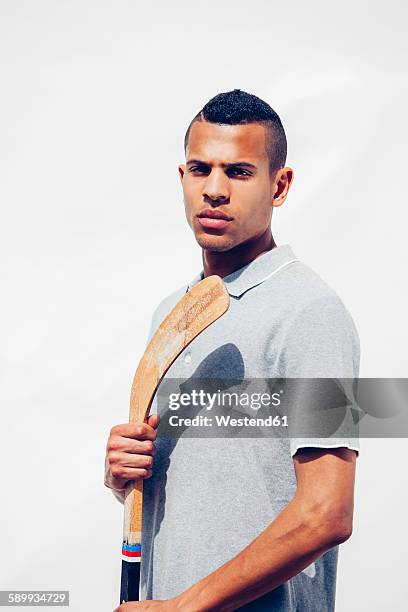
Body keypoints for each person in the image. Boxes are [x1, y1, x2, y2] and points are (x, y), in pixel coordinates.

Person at [105, 89, 360, 611]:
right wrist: (122, 475)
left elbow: (327, 512)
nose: (214, 190)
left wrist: (185, 606)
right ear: (183, 178)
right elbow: (207, 484)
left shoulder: (311, 310)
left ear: (280, 184)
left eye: (239, 172)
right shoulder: (171, 312)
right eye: (201, 169)